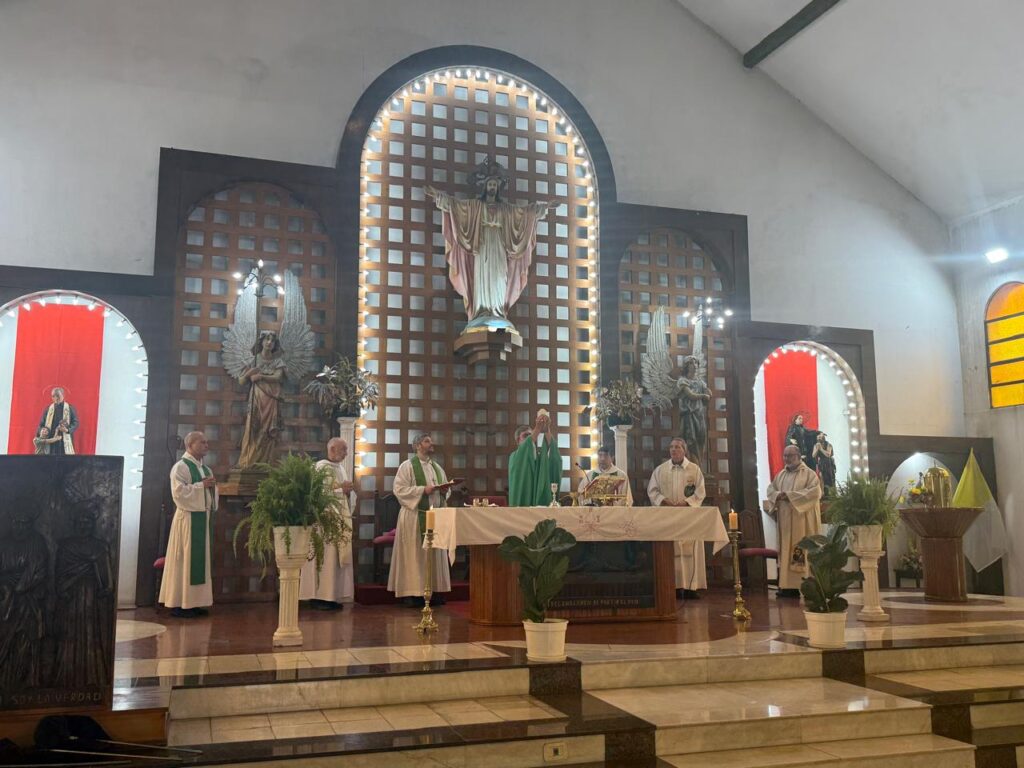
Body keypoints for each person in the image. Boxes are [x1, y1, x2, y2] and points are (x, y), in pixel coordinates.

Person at [424, 157, 550, 333]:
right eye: (490, 185)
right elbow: (456, 206)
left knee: (499, 277)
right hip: (482, 246)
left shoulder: (505, 209)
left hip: (498, 246)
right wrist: (439, 197)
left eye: (495, 185)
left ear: (498, 188)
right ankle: (482, 311)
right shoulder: (476, 206)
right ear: (485, 187)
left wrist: (540, 209)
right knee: (483, 276)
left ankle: (497, 311)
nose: (492, 188)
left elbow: (523, 214)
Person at [54, 500, 114, 688]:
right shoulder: (65, 546)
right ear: (74, 523)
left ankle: (93, 677)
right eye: (80, 522)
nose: (83, 526)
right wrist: (62, 590)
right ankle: (66, 676)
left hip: (91, 597)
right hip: (70, 598)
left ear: (93, 524)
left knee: (90, 634)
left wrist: (106, 588)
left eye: (87, 522)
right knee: (69, 635)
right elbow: (59, 574)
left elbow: (108, 579)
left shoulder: (100, 546)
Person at [388, 432, 452, 606]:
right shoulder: (407, 466)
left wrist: (445, 490)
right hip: (415, 517)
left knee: (433, 553)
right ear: (417, 446)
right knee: (415, 555)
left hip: (434, 516)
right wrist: (423, 490)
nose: (431, 444)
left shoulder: (437, 468)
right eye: (427, 441)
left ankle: (434, 590)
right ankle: (413, 593)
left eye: (430, 441)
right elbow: (399, 490)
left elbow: (445, 487)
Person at [160, 431, 218, 618]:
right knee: (184, 561)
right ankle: (179, 603)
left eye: (207, 442)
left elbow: (211, 495)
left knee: (198, 563)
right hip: (187, 520)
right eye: (202, 442)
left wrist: (210, 488)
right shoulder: (181, 467)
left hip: (202, 519)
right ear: (190, 445)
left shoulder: (205, 469)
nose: (206, 445)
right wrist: (202, 487)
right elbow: (178, 494)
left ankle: (194, 602)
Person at [647, 438, 707, 599]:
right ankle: (672, 586)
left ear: (684, 450)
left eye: (678, 447)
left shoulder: (694, 470)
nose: (674, 450)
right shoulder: (660, 470)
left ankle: (690, 587)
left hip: (688, 517)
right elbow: (652, 491)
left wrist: (686, 502)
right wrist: (664, 501)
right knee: (671, 551)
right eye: (672, 447)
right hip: (668, 517)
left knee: (690, 551)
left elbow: (700, 492)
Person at [300, 437, 354, 610]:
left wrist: (347, 493)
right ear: (332, 449)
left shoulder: (342, 470)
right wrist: (341, 490)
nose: (346, 453)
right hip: (323, 522)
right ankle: (320, 597)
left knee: (335, 561)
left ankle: (333, 596)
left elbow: (345, 495)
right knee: (325, 560)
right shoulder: (320, 467)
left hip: (339, 521)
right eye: (343, 449)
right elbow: (317, 494)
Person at [0, 503, 49, 692]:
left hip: (28, 604)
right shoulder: (3, 543)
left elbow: (38, 571)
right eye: (16, 523)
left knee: (26, 642)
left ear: (30, 524)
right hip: (4, 603)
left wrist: (19, 584)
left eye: (24, 523)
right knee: (5, 641)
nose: (20, 527)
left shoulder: (37, 542)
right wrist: (8, 580)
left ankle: (26, 682)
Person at [765, 443, 823, 598]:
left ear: (798, 456)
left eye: (789, 456)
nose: (786, 459)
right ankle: (787, 586)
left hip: (801, 521)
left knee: (800, 550)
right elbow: (771, 489)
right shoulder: (781, 475)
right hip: (785, 521)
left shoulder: (809, 474)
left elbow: (814, 493)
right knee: (786, 551)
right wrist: (778, 496)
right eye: (784, 456)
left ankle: (805, 585)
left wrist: (789, 496)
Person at [236, 331, 286, 468]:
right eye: (266, 339)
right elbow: (241, 380)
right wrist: (249, 374)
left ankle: (266, 463)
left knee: (268, 431)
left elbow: (278, 377)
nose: (269, 343)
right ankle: (248, 460)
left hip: (271, 399)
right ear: (261, 342)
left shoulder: (278, 361)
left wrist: (260, 376)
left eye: (272, 341)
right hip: (257, 397)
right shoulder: (254, 360)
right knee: (253, 426)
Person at [508, 410, 563, 506]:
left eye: (531, 435)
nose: (530, 438)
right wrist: (537, 429)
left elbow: (554, 458)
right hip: (522, 506)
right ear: (518, 441)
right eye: (526, 436)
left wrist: (546, 430)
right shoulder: (515, 457)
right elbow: (525, 448)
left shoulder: (539, 458)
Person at [677, 356, 710, 467]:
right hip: (688, 416)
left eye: (696, 363)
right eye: (692, 363)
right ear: (687, 366)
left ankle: (698, 466)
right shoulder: (683, 381)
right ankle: (691, 467)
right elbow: (690, 395)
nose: (695, 365)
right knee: (690, 440)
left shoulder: (700, 382)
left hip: (699, 415)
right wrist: (703, 395)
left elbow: (708, 393)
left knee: (701, 438)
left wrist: (708, 393)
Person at [37, 387, 78, 455]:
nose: (56, 398)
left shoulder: (70, 408)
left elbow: (76, 422)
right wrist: (42, 431)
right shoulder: (48, 409)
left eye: (58, 396)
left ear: (63, 396)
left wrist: (67, 430)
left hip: (64, 440)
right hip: (51, 439)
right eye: (53, 396)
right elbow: (41, 424)